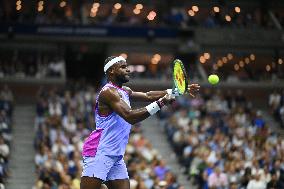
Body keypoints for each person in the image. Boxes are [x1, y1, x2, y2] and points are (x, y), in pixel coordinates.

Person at [80, 56, 200, 189]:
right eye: (123, 67)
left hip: (116, 155)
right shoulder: (108, 92)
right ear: (111, 71)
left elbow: (148, 96)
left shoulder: (125, 91)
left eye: (127, 66)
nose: (128, 70)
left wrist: (177, 91)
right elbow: (130, 116)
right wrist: (161, 103)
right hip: (99, 152)